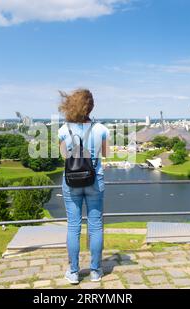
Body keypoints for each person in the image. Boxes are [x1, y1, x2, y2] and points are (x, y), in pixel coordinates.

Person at [58, 89, 110, 284]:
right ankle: (96, 271)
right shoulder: (101, 129)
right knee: (95, 227)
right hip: (95, 180)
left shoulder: (63, 130)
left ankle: (73, 272)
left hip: (71, 182)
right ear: (91, 107)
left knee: (73, 226)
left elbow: (63, 156)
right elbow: (106, 154)